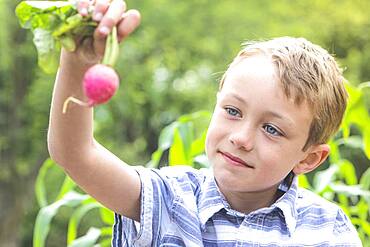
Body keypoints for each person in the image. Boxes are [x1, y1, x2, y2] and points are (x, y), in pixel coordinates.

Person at [47, 0, 362, 246]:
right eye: (233, 111)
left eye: (271, 129)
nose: (241, 138)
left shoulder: (327, 228)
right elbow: (76, 154)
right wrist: (78, 61)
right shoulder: (168, 199)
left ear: (309, 158)